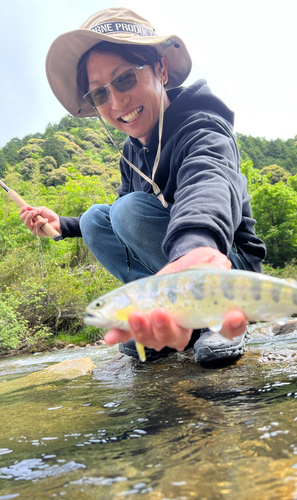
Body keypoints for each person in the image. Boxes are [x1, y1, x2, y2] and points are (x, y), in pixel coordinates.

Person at [20, 7, 266, 364]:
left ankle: (217, 316)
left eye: (125, 79)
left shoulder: (203, 128)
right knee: (95, 218)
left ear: (161, 70)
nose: (117, 102)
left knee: (128, 210)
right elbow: (119, 223)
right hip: (179, 269)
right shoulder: (131, 154)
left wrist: (196, 250)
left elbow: (208, 183)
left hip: (225, 266)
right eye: (100, 94)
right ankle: (172, 321)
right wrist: (64, 226)